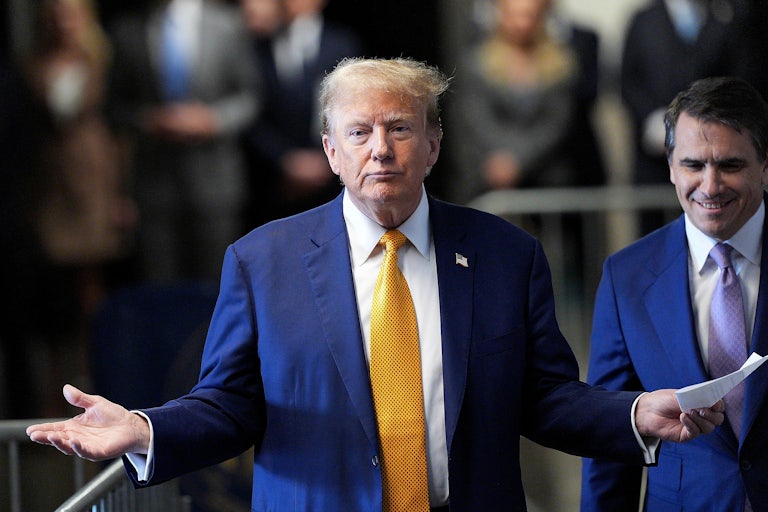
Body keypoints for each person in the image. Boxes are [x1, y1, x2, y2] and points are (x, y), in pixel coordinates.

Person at [27, 57, 724, 512]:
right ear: (330, 151)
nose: (380, 150)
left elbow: (545, 399)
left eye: (399, 128)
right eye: (358, 132)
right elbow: (229, 406)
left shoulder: (506, 255)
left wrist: (633, 416)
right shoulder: (261, 261)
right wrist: (144, 428)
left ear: (434, 144)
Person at [581, 76, 768, 511]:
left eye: (731, 165)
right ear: (669, 165)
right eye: (693, 165)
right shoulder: (626, 276)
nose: (710, 185)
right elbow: (611, 436)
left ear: (765, 164)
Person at [106, 0, 261, 283]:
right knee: (160, 286)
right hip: (154, 185)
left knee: (217, 286)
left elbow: (250, 97)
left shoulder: (227, 24)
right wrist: (149, 119)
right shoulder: (127, 31)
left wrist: (213, 120)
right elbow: (114, 108)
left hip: (215, 183)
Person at [620, 0, 761, 233]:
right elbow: (629, 82)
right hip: (654, 165)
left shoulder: (729, 15)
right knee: (658, 247)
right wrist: (654, 121)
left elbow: (743, 80)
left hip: (719, 157)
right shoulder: (643, 20)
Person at [242, 0, 363, 227]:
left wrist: (324, 160)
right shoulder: (256, 45)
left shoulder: (343, 43)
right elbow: (251, 111)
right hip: (272, 182)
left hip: (332, 178)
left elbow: (355, 111)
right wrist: (285, 160)